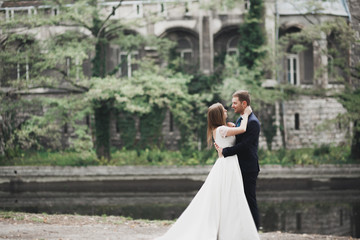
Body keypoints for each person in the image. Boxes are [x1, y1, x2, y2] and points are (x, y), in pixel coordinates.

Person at [155, 102, 259, 240]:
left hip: (227, 163)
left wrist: (231, 125)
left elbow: (229, 139)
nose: (226, 110)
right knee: (230, 195)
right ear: (219, 115)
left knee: (227, 196)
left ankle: (229, 228)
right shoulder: (222, 129)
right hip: (228, 165)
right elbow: (243, 129)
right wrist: (246, 114)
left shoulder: (220, 129)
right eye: (223, 110)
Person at [215, 90, 260, 230]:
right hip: (238, 166)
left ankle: (255, 230)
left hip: (248, 167)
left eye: (235, 103)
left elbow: (245, 145)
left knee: (249, 198)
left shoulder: (252, 122)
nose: (232, 105)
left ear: (244, 103)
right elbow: (238, 136)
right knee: (239, 199)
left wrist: (225, 151)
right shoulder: (242, 119)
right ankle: (243, 228)